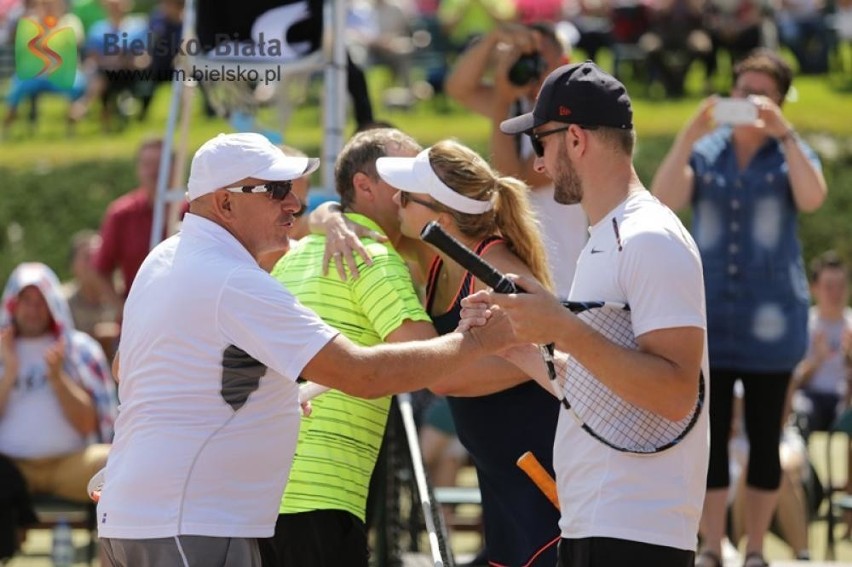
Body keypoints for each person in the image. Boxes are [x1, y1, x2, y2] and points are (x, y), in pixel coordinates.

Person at [95, 132, 515, 567]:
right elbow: (363, 375)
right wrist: (477, 341)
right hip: (195, 520)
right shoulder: (234, 279)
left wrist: (264, 397)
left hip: (138, 516)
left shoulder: (161, 259)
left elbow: (128, 368)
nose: (294, 203)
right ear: (224, 203)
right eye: (276, 191)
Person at [460, 61, 710, 567]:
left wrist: (562, 327)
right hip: (596, 521)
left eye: (541, 143)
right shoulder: (609, 237)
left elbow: (676, 392)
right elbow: (600, 389)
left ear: (575, 139)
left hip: (635, 529)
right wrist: (516, 342)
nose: (537, 164)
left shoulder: (648, 238)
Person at [651, 48, 827, 567]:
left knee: (767, 436)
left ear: (779, 101)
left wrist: (786, 134)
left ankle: (754, 549)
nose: (747, 100)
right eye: (740, 89)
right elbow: (664, 195)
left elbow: (813, 197)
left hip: (773, 321)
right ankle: (711, 545)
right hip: (710, 317)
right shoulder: (708, 149)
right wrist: (690, 130)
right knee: (709, 436)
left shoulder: (790, 151)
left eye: (760, 92)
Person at [374, 138, 562, 566]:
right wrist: (331, 220)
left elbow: (447, 375)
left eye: (406, 196)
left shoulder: (496, 269)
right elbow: (352, 223)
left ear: (440, 218)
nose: (395, 202)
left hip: (540, 478)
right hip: (502, 480)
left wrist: (447, 365)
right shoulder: (438, 254)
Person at [258, 128, 437, 567]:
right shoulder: (373, 256)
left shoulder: (290, 257)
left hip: (258, 497)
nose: (417, 189)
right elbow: (433, 364)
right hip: (322, 500)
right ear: (364, 185)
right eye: (404, 176)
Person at [444, 21, 587, 298]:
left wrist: (501, 101)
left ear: (564, 61)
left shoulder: (574, 117)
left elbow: (513, 179)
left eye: (540, 59)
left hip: (562, 282)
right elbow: (457, 88)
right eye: (526, 58)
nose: (533, 67)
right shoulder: (520, 104)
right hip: (523, 271)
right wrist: (493, 38)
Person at [0, 262, 117, 553]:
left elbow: (90, 424)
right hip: (11, 471)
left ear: (53, 304)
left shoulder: (79, 350)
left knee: (117, 463)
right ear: (13, 305)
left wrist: (57, 378)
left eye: (41, 301)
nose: (33, 309)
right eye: (26, 300)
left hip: (69, 467)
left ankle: (112, 557)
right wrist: (10, 372)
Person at [92, 137, 178, 314]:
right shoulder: (122, 214)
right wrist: (123, 313)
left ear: (174, 168)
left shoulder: (193, 211)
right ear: (138, 169)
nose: (154, 172)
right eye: (147, 165)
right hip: (139, 318)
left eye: (160, 164)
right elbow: (100, 270)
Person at [793, 250, 852, 436]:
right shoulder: (805, 324)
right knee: (800, 413)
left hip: (845, 398)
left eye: (841, 286)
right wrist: (816, 360)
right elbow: (793, 380)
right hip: (811, 398)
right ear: (814, 288)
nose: (836, 293)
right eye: (829, 286)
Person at [61, 230, 119, 352]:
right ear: (73, 265)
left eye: (99, 257)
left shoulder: (121, 297)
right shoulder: (62, 301)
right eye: (88, 257)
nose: (95, 263)